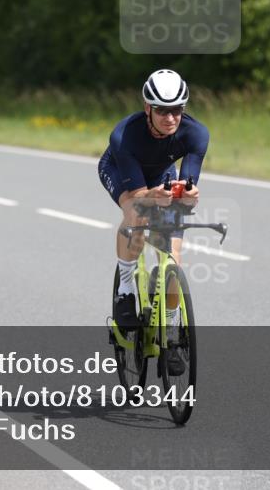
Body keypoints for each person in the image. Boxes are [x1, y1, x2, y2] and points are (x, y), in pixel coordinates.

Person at [98, 69, 209, 369]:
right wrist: (150, 198)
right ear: (148, 107)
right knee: (137, 213)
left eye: (177, 110)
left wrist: (188, 195)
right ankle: (125, 289)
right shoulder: (124, 134)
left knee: (172, 256)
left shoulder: (196, 134)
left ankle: (172, 333)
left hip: (161, 176)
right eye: (162, 110)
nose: (170, 118)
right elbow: (137, 196)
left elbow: (186, 184)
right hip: (122, 172)